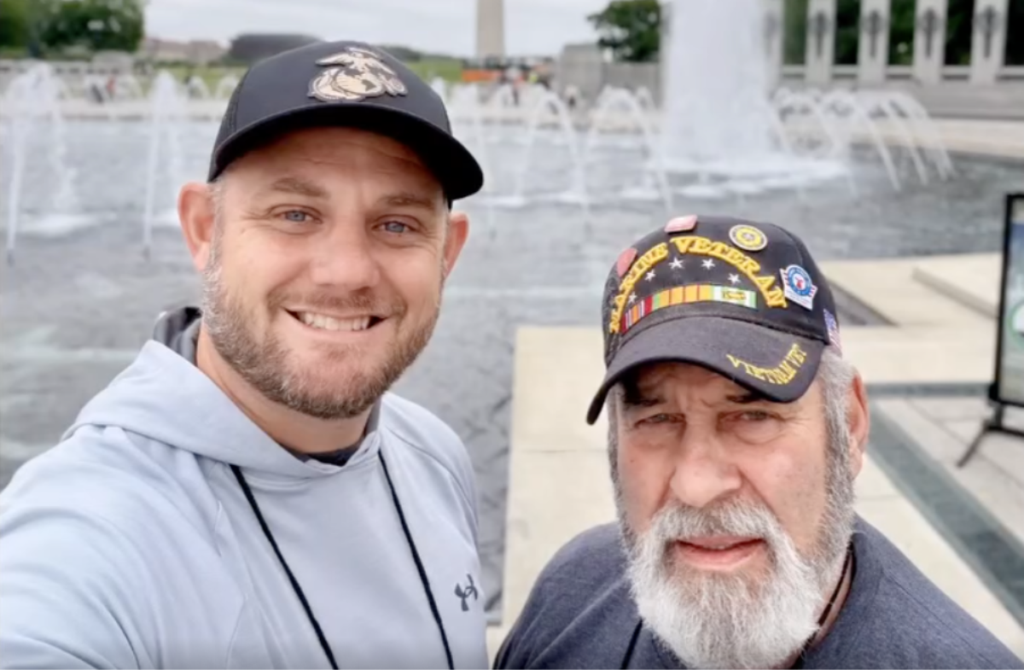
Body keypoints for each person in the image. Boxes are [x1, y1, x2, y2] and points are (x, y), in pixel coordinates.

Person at [0, 41, 489, 669]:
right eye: (295, 214)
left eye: (396, 225)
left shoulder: (434, 457)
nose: (345, 272)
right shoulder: (87, 534)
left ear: (447, 255)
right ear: (205, 230)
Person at [495, 215, 1024, 669]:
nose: (697, 485)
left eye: (752, 415)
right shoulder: (570, 595)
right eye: (657, 419)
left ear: (851, 426)